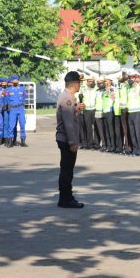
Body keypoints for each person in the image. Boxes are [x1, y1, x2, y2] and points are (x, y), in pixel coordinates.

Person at [56, 71, 85, 208]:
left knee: (67, 169)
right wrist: (73, 142)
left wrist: (76, 108)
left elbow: (69, 116)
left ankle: (65, 198)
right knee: (67, 170)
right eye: (79, 83)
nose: (80, 86)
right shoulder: (67, 99)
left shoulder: (68, 97)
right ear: (74, 83)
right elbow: (68, 123)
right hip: (67, 139)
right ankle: (66, 199)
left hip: (64, 138)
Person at [6, 75, 27, 147]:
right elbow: (7, 99)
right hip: (13, 109)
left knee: (22, 125)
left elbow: (24, 97)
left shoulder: (22, 89)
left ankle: (23, 141)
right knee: (11, 126)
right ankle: (10, 142)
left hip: (20, 109)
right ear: (12, 81)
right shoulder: (8, 90)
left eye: (17, 80)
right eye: (14, 80)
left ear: (18, 81)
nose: (15, 81)